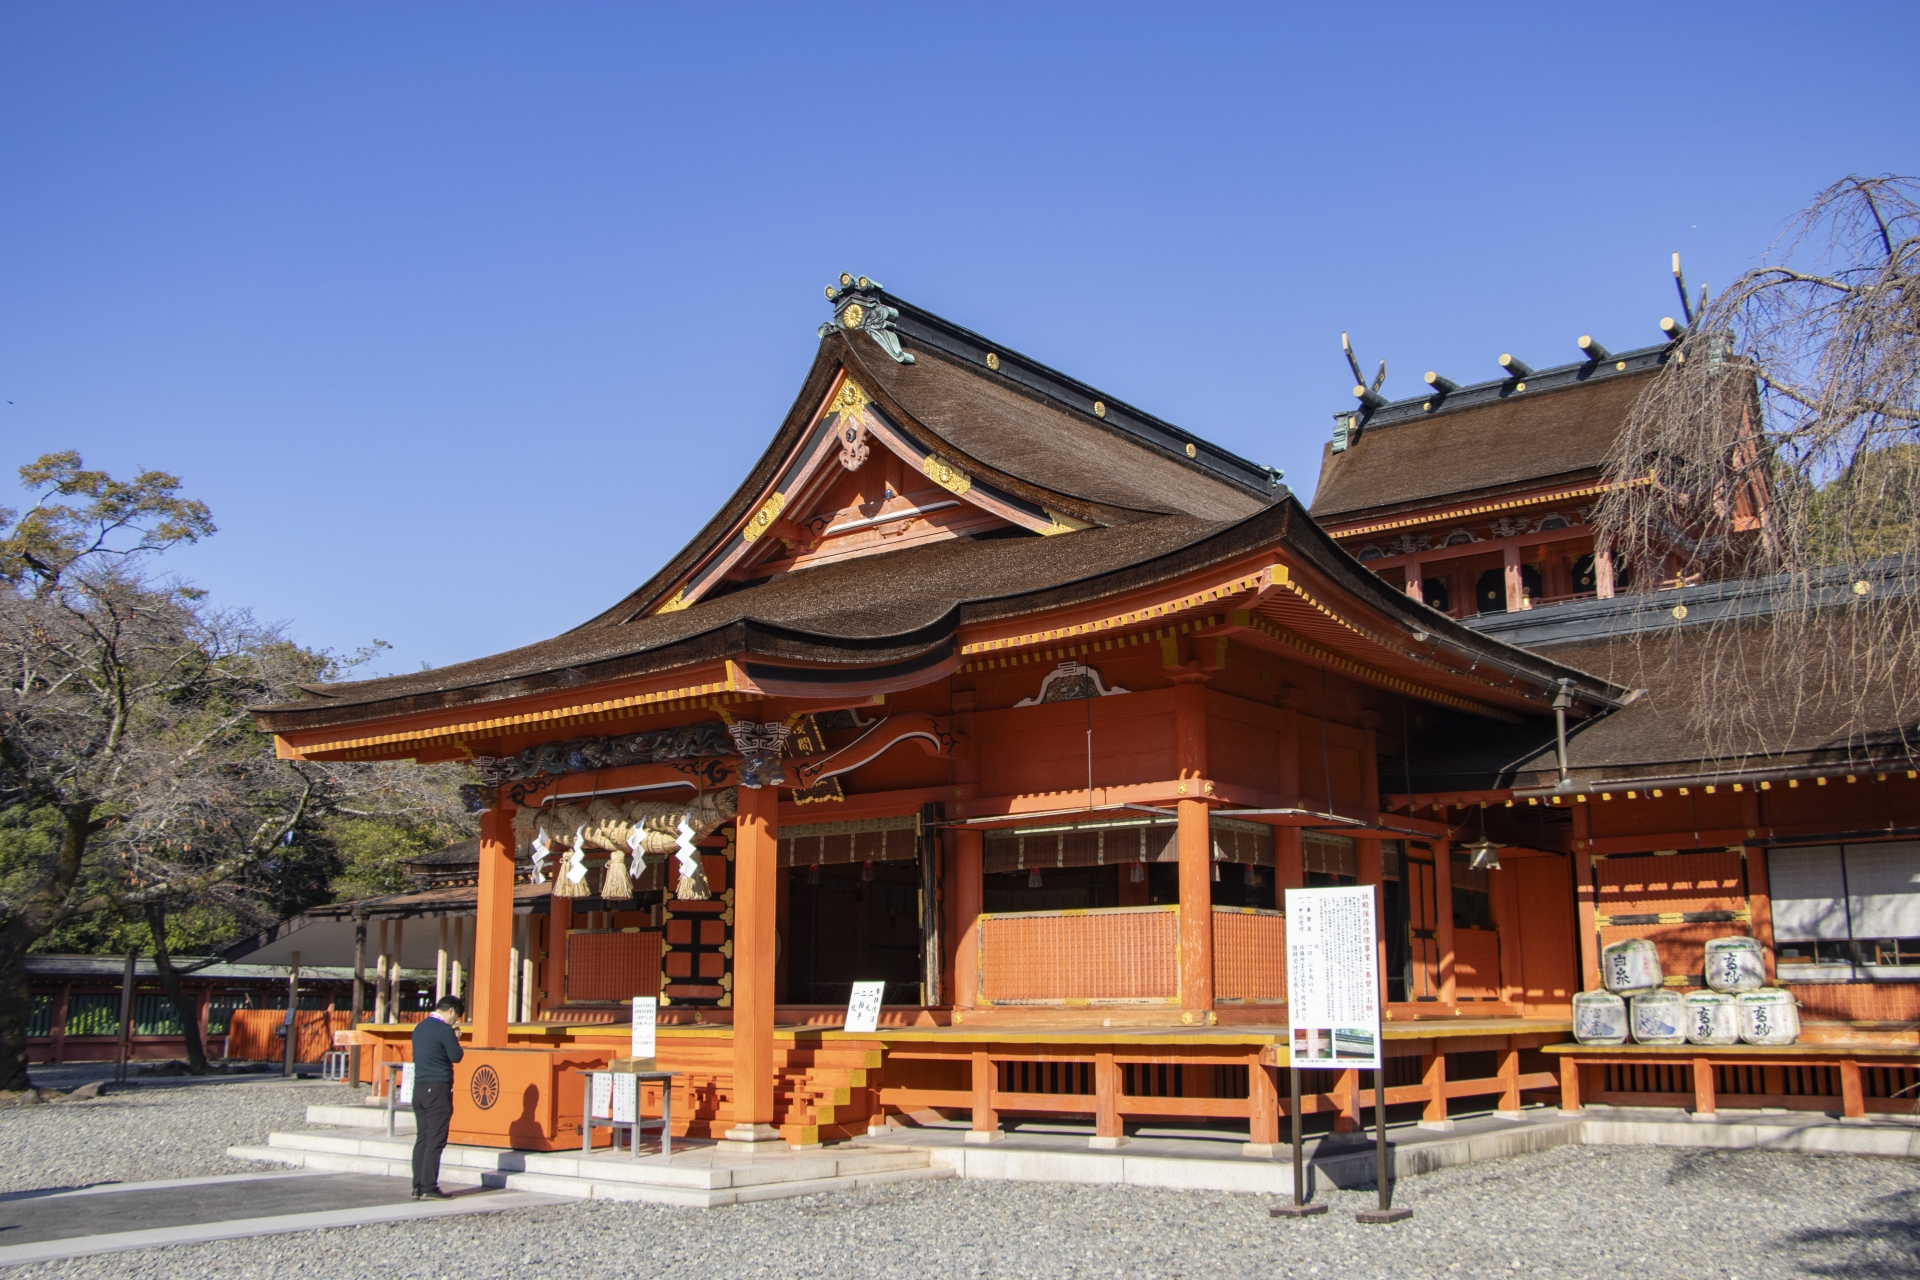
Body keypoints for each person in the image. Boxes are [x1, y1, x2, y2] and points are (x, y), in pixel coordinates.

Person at [410, 994, 465, 1199]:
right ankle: (429, 1186)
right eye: (456, 1016)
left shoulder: (419, 1027)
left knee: (422, 1138)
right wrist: (455, 1039)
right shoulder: (444, 1030)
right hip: (438, 1087)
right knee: (436, 1139)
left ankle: (417, 1185)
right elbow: (456, 1056)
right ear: (450, 1010)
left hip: (420, 1087)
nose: (456, 1021)